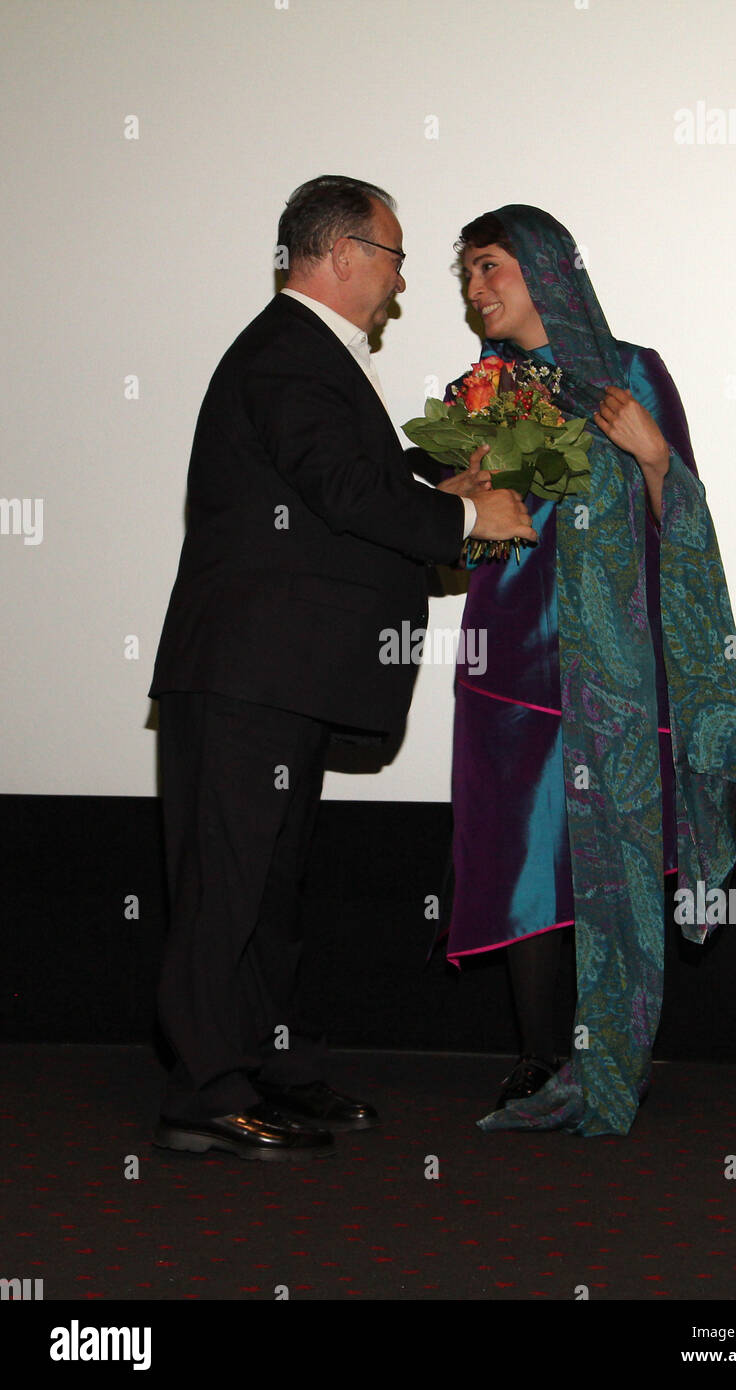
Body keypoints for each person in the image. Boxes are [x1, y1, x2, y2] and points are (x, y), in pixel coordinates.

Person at [148, 176, 535, 1161]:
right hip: (246, 673)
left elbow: (350, 477)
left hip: (280, 675)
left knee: (269, 890)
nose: (403, 284)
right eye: (398, 258)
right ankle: (205, 1089)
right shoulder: (288, 351)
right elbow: (339, 486)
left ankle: (270, 1065)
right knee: (227, 886)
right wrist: (462, 515)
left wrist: (438, 483)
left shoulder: (312, 357)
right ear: (346, 253)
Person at [443, 205, 736, 1136]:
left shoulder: (633, 374)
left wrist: (652, 452)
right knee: (525, 866)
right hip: (511, 669)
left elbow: (686, 520)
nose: (475, 290)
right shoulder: (481, 392)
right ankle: (541, 1060)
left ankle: (614, 1051)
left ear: (545, 268)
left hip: (615, 670)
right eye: (466, 273)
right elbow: (459, 542)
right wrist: (461, 491)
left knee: (612, 860)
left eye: (490, 267)